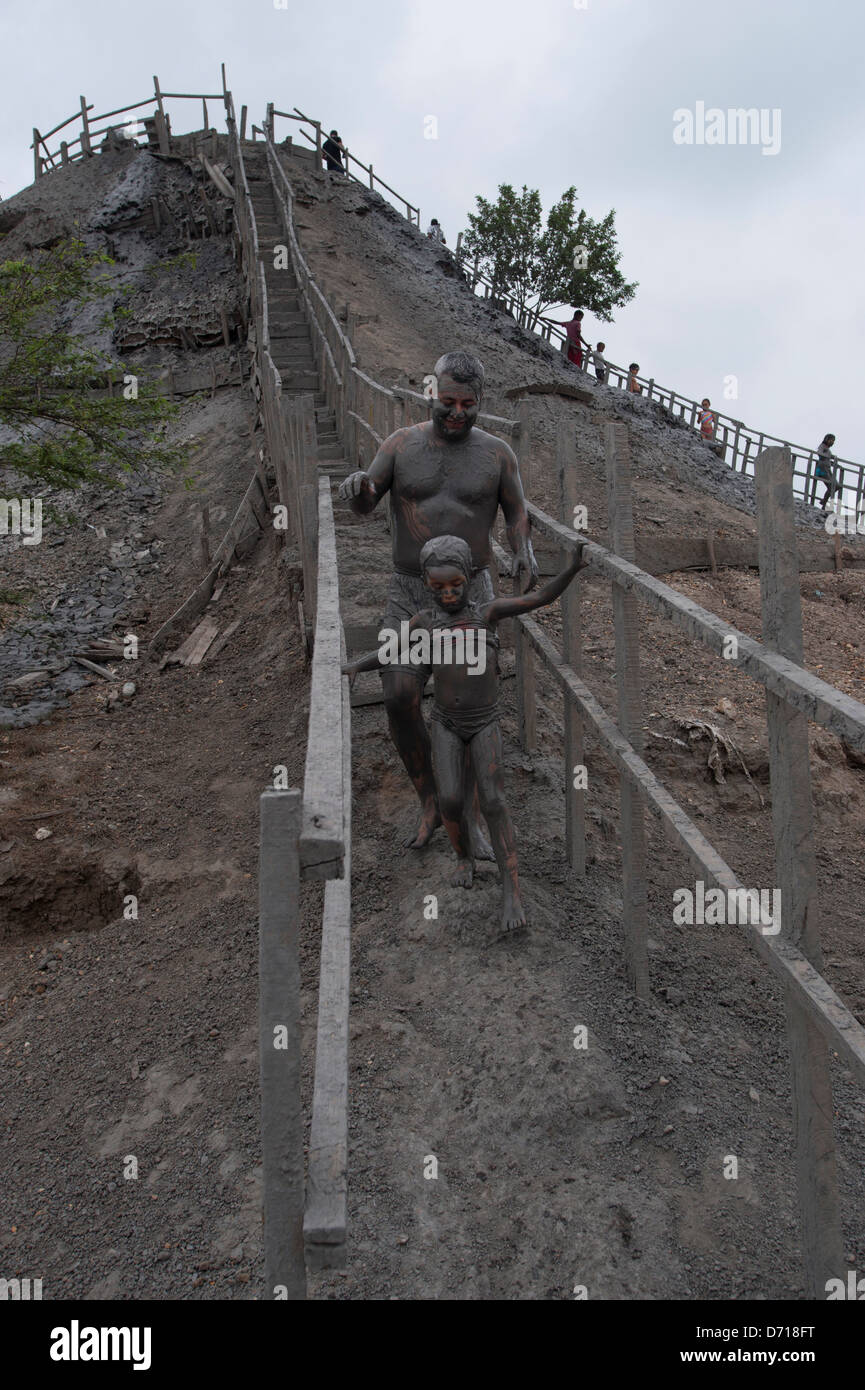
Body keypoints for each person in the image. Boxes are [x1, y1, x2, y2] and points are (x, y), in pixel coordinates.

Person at [337, 350, 539, 852]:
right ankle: (430, 797)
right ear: (432, 393)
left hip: (471, 595)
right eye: (447, 401)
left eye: (467, 404)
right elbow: (367, 502)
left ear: (480, 402)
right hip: (408, 589)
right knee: (398, 697)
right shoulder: (401, 445)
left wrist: (524, 550)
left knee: (464, 706)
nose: (456, 413)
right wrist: (357, 490)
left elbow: (516, 513)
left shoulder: (497, 454)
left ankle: (468, 813)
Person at [343, 534, 588, 934]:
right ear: (425, 582)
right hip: (445, 723)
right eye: (438, 586)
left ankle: (512, 890)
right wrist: (357, 666)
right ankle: (464, 857)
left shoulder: (487, 612)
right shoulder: (425, 622)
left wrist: (573, 569)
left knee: (493, 800)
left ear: (470, 578)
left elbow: (540, 598)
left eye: (456, 584)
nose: (449, 593)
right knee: (451, 800)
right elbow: (391, 652)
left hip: (484, 721)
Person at [815, 433, 842, 510]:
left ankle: (824, 501)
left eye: (833, 441)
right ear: (827, 439)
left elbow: (828, 457)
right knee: (831, 486)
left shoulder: (827, 449)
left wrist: (833, 458)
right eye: (831, 440)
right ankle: (824, 504)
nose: (832, 442)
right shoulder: (822, 446)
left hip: (828, 469)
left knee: (837, 486)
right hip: (822, 470)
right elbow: (819, 453)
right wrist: (828, 456)